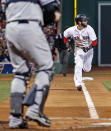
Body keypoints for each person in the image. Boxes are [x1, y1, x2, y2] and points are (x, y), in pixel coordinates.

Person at [2, 0, 61, 129]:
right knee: (46, 68)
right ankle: (34, 110)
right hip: (30, 26)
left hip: (10, 29)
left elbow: (4, 13)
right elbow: (52, 9)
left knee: (20, 73)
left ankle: (15, 119)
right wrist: (48, 18)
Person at [64, 14, 97, 91]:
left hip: (89, 51)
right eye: (84, 20)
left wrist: (88, 48)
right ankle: (78, 83)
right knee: (78, 65)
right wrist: (68, 47)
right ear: (79, 22)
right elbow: (65, 36)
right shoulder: (71, 30)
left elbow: (95, 42)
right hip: (78, 50)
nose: (86, 21)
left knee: (87, 69)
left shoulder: (89, 29)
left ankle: (82, 66)